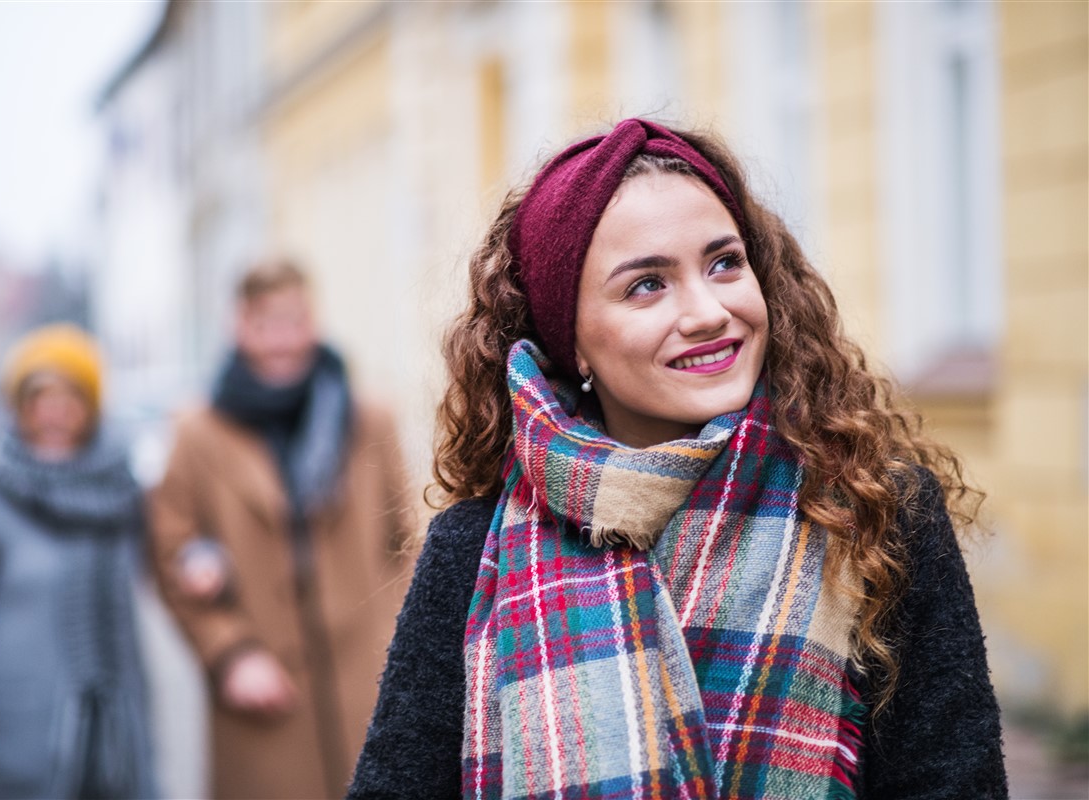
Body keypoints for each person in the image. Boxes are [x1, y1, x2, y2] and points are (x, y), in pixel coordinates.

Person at [349, 119, 1008, 799]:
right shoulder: (477, 548)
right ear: (570, 338)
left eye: (724, 263)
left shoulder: (873, 510)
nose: (707, 311)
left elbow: (956, 782)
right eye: (647, 285)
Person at [147, 259, 413, 799]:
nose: (281, 340)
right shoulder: (197, 433)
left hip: (370, 687)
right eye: (265, 323)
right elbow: (169, 555)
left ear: (314, 321)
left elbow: (408, 540)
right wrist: (231, 653)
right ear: (239, 326)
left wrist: (399, 645)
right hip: (262, 702)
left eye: (294, 321)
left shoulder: (369, 418)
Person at [0, 324, 157, 800]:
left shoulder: (123, 496)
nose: (55, 414)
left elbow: (170, 559)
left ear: (91, 409)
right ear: (18, 406)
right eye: (39, 398)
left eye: (72, 399)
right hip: (21, 757)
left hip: (119, 756)